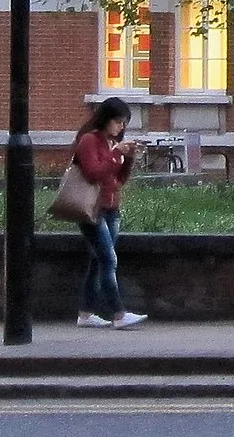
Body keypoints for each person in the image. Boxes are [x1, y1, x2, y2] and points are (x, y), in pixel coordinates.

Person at [72, 96, 147, 329]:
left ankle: (85, 314)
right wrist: (116, 155)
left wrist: (128, 160)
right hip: (92, 209)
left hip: (111, 208)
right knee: (108, 259)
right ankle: (118, 314)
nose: (121, 127)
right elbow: (93, 173)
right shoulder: (88, 141)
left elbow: (117, 180)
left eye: (124, 122)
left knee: (98, 261)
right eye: (118, 121)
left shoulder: (109, 144)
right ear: (105, 119)